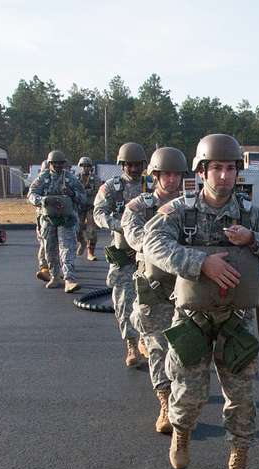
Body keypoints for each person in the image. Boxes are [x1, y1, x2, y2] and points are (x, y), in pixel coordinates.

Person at [143, 133, 259, 469]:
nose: (224, 176)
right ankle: (181, 431)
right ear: (202, 171)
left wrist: (253, 240)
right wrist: (201, 262)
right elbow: (152, 242)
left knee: (241, 398)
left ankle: (238, 464)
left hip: (234, 321)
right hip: (191, 319)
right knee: (189, 395)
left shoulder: (250, 215)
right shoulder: (181, 210)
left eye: (230, 168)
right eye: (216, 168)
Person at [121, 147, 186, 434]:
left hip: (188, 287)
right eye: (165, 174)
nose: (171, 180)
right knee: (158, 347)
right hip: (154, 287)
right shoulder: (138, 207)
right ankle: (165, 403)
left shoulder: (192, 206)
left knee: (186, 350)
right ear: (155, 175)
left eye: (176, 174)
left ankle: (183, 400)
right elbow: (140, 241)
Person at [94, 142, 148, 368]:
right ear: (122, 165)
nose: (134, 169)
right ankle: (132, 345)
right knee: (124, 302)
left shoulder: (153, 186)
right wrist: (119, 224)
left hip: (149, 255)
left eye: (138, 164)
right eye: (130, 165)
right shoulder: (111, 188)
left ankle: (147, 339)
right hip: (124, 255)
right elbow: (98, 213)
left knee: (151, 302)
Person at [27, 150, 86, 293]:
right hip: (48, 218)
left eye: (60, 163)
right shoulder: (43, 178)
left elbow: (83, 197)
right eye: (55, 163)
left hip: (67, 218)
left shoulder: (71, 179)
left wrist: (72, 194)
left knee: (67, 248)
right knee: (50, 248)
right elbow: (31, 194)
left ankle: (69, 278)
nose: (58, 166)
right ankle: (55, 276)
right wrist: (42, 200)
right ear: (50, 164)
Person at [75, 156, 100, 261]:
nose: (85, 168)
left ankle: (90, 253)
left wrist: (83, 192)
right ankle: (82, 243)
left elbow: (97, 191)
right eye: (83, 166)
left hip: (91, 206)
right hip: (79, 207)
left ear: (91, 167)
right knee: (76, 229)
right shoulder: (75, 179)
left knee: (92, 230)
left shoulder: (96, 179)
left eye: (87, 166)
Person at [34, 159, 52, 283]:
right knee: (44, 242)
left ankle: (55, 269)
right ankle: (45, 268)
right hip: (43, 217)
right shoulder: (39, 183)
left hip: (57, 217)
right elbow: (32, 196)